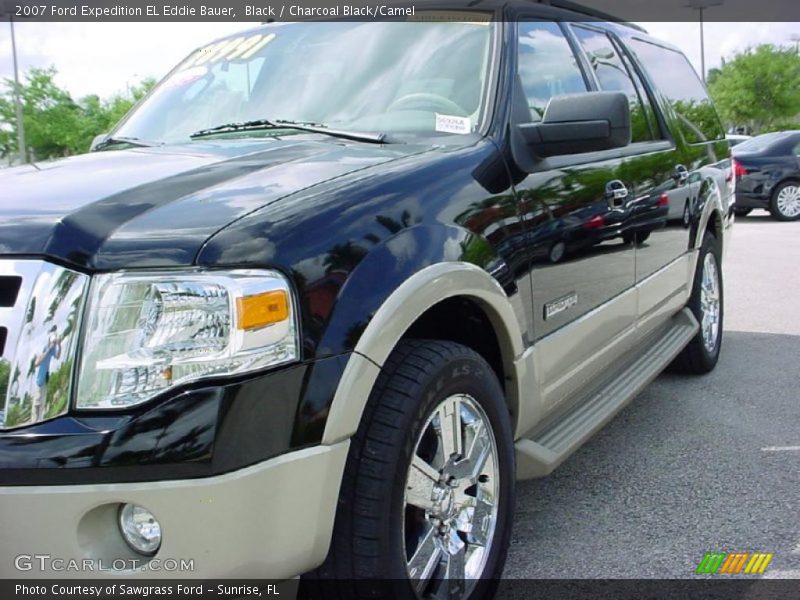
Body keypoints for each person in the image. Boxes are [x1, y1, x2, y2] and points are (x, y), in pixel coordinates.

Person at [32, 325, 61, 422]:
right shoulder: (44, 348)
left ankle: (39, 420)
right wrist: (48, 349)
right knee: (37, 403)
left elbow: (57, 356)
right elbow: (37, 363)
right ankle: (35, 421)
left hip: (45, 378)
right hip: (38, 380)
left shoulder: (51, 349)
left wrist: (59, 345)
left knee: (42, 403)